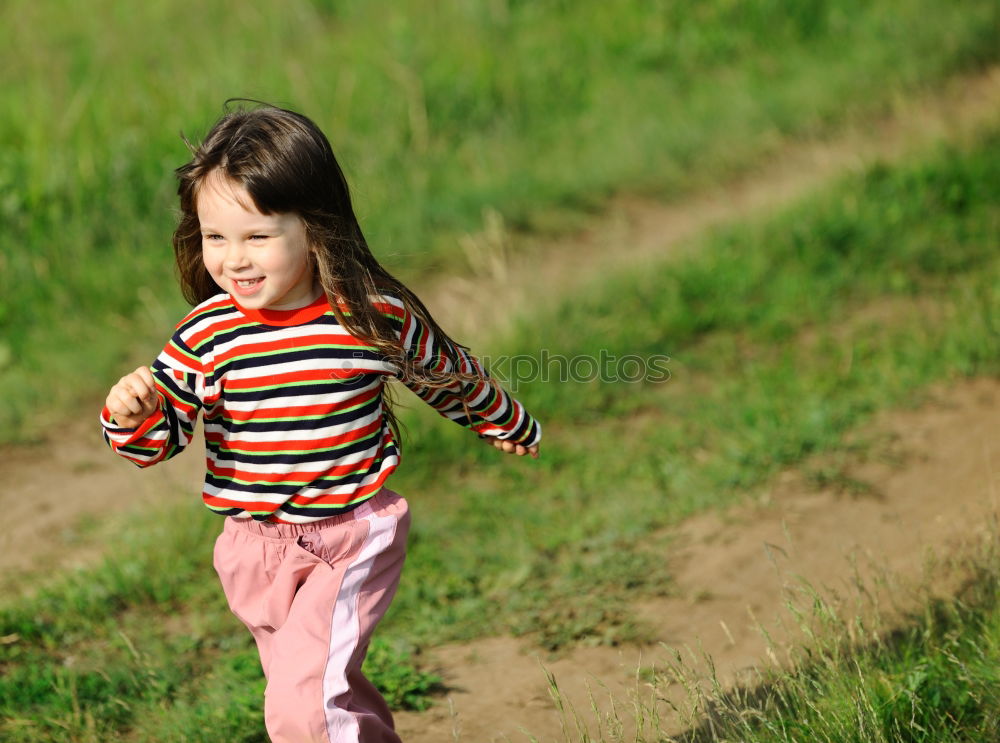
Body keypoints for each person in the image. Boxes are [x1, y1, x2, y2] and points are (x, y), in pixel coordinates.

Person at [100, 102, 541, 743]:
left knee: (303, 708)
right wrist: (131, 415)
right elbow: (162, 436)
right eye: (215, 238)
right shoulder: (207, 334)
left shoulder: (368, 315)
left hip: (350, 536)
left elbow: (444, 372)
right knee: (324, 691)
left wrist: (501, 420)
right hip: (252, 551)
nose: (234, 260)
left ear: (314, 226)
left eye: (257, 237)